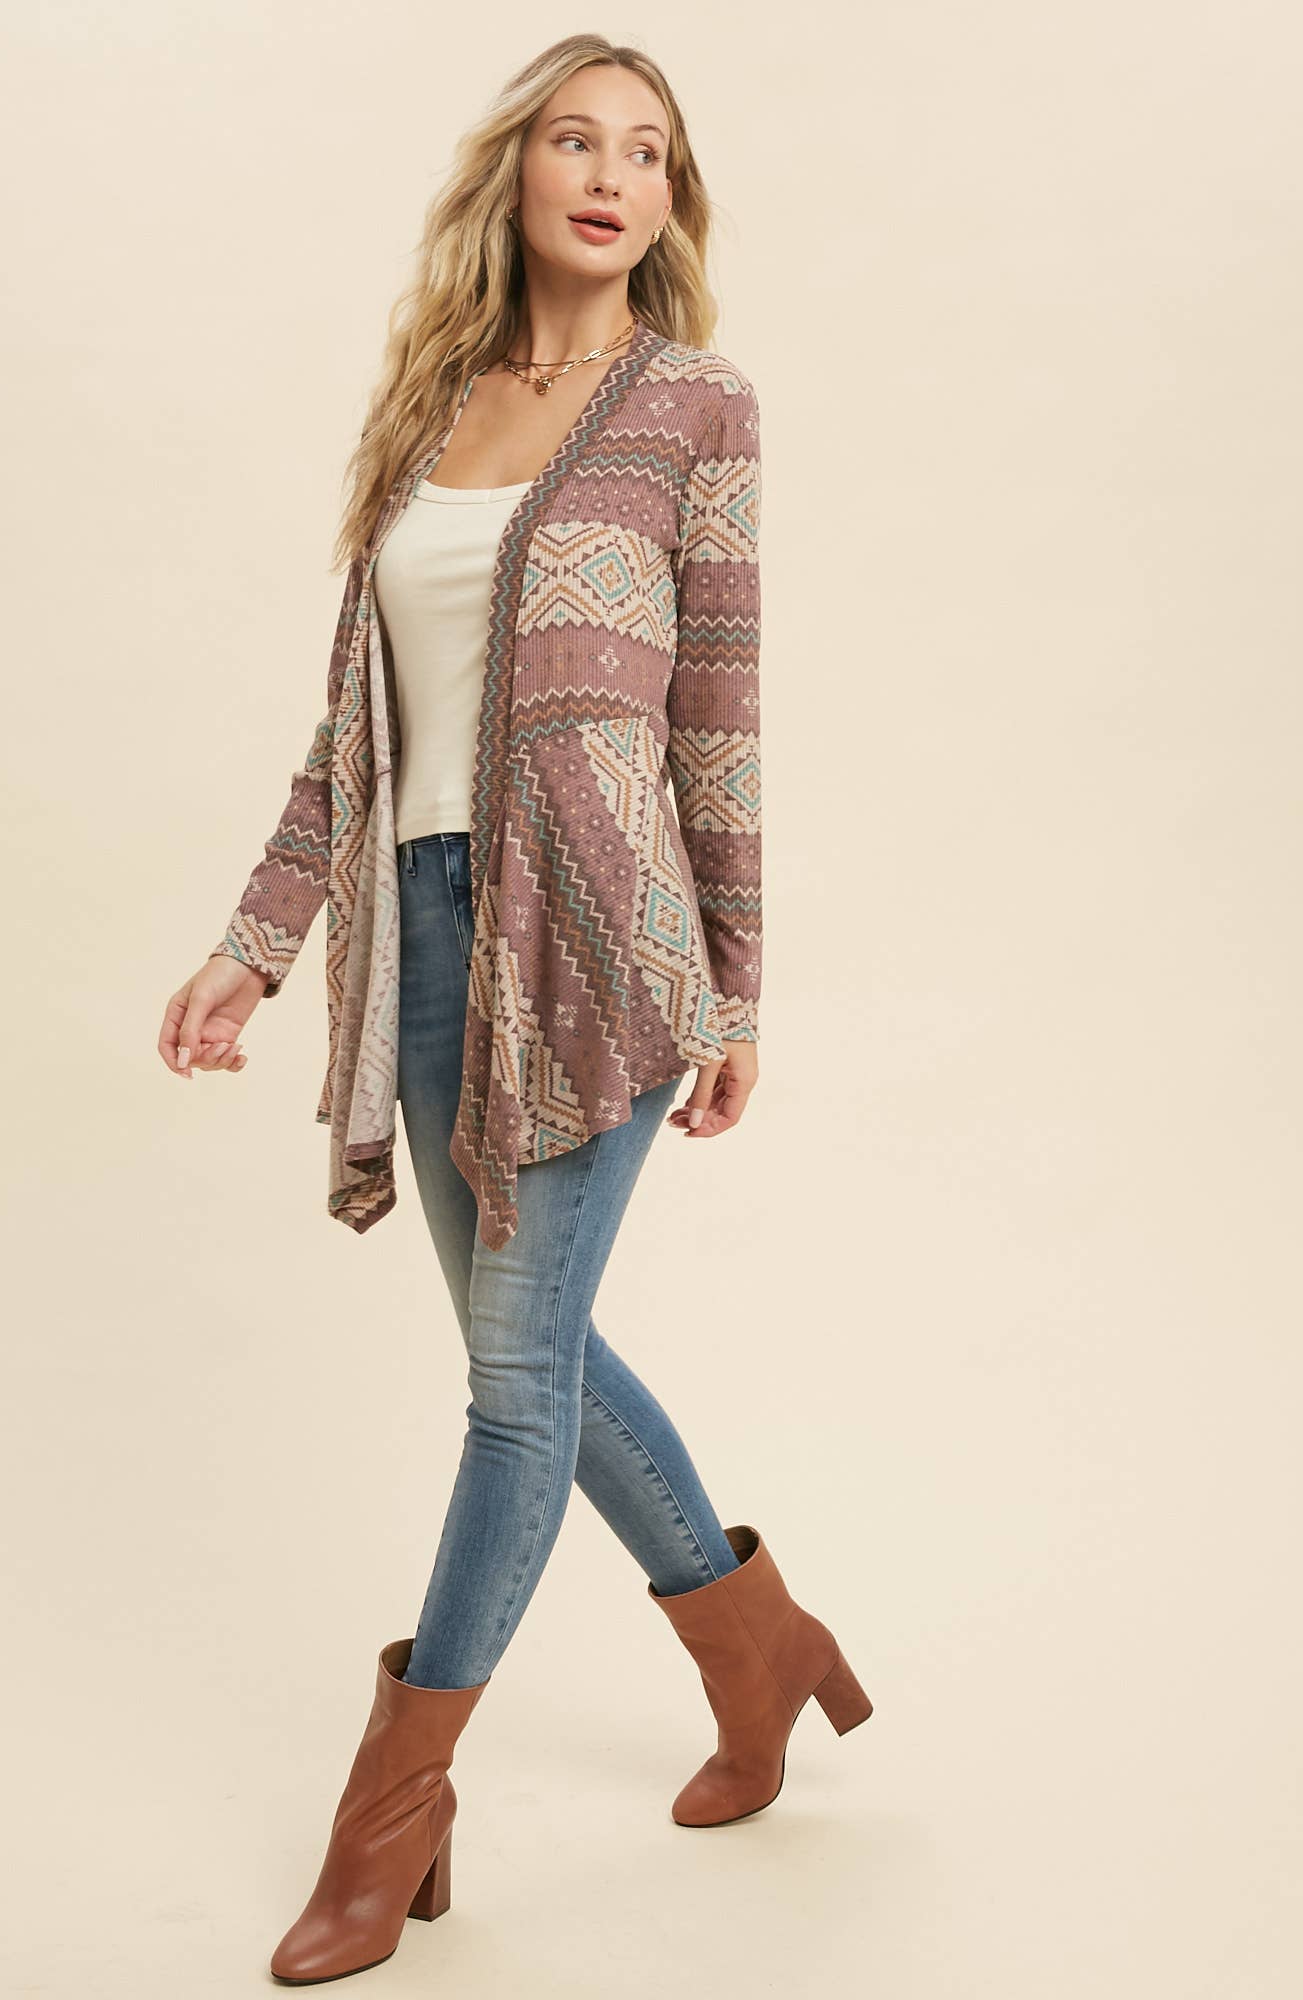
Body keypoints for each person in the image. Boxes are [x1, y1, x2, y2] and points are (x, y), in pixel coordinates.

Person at [158, 33, 870, 1988]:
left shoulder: (695, 405)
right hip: (424, 934)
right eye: (578, 138)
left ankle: (389, 1813)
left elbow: (716, 708)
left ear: (669, 198)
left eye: (648, 151)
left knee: (509, 1381)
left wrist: (733, 981)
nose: (612, 175)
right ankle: (760, 1648)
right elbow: (350, 739)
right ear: (520, 171)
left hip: (603, 939)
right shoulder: (429, 410)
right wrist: (255, 942)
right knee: (533, 1356)